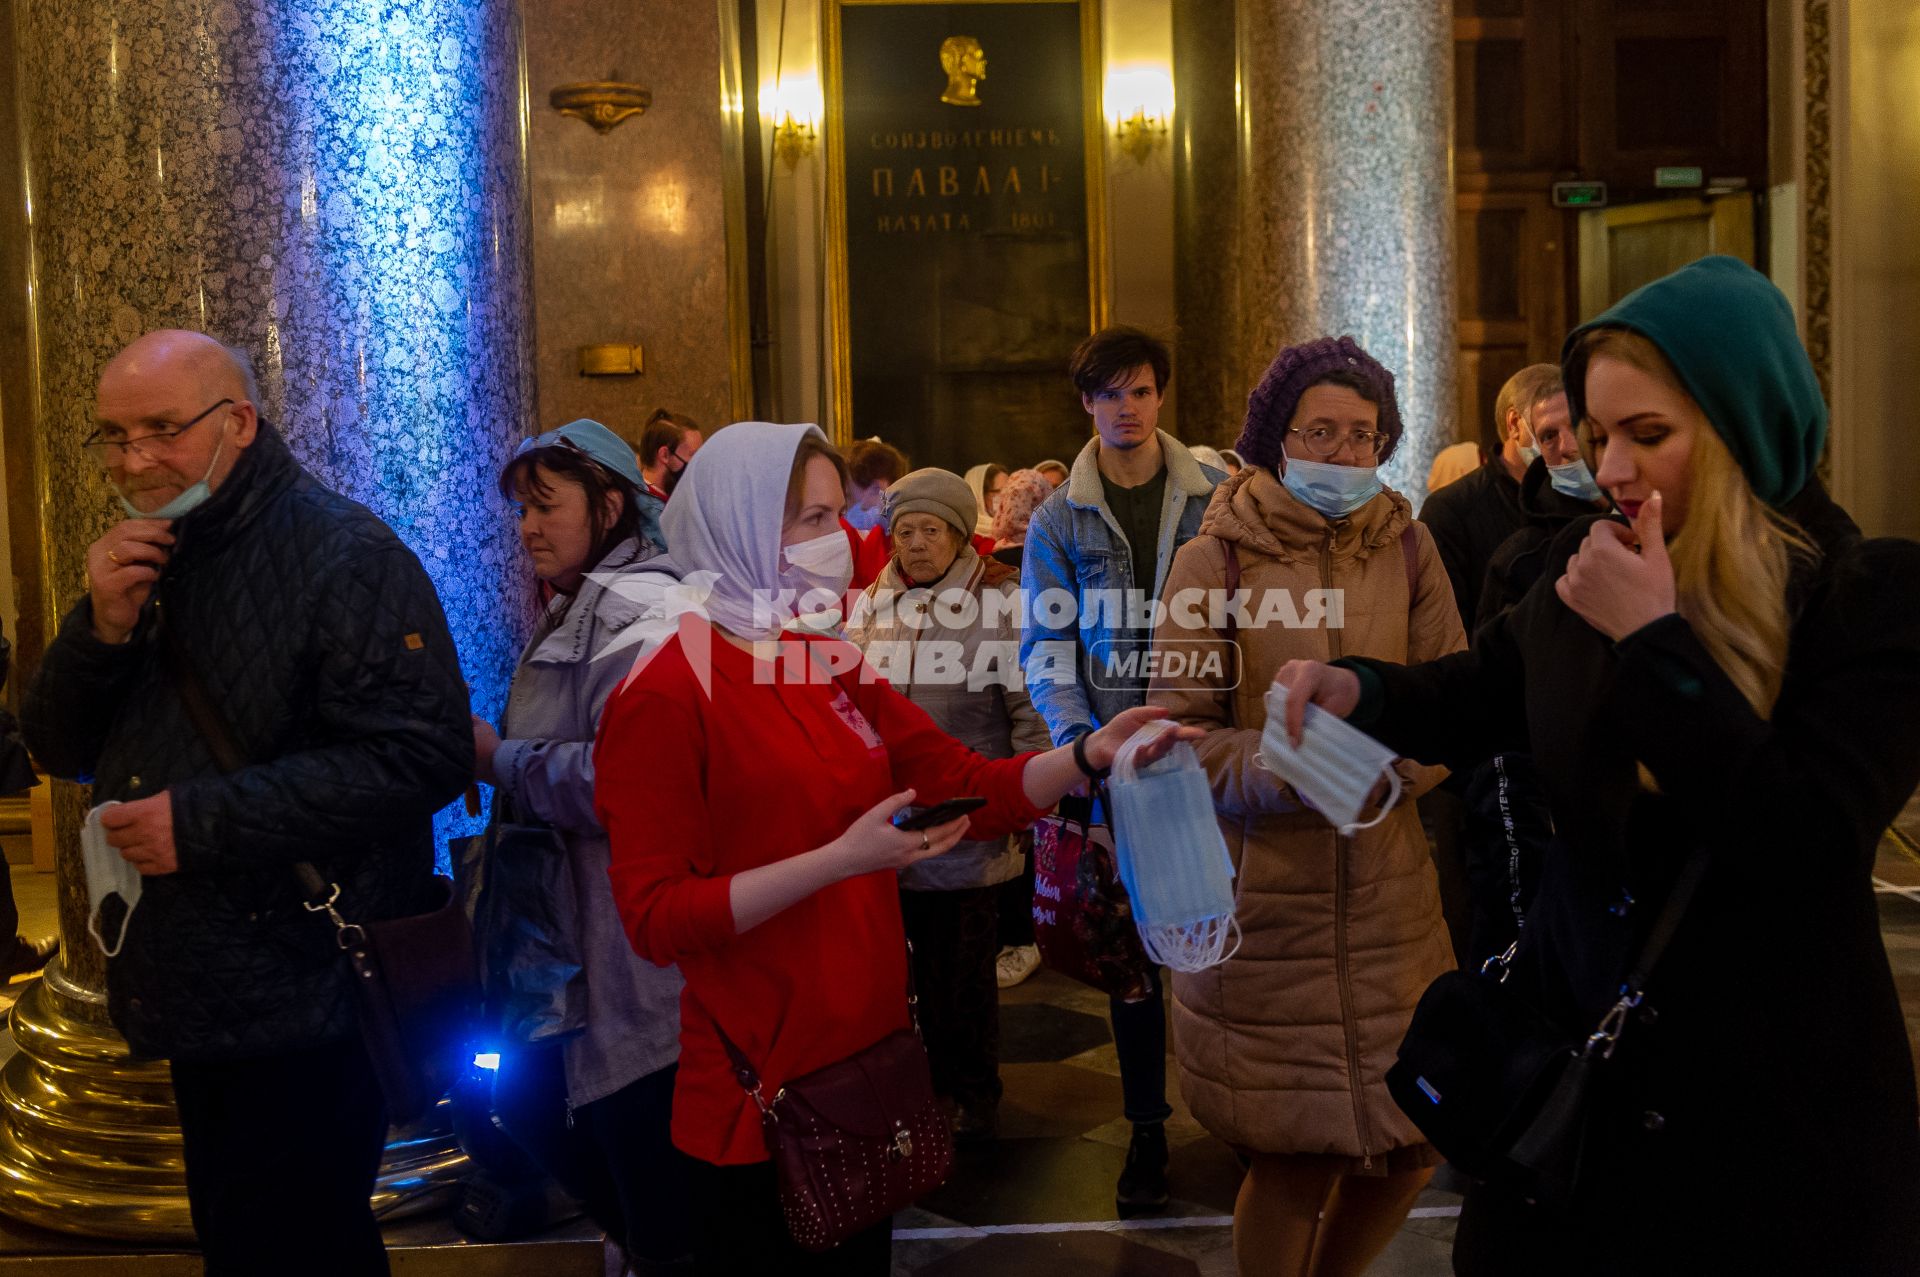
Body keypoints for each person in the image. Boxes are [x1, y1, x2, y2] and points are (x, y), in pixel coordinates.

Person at [1272, 256, 1920, 1274]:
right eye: (1598, 432)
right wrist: (1361, 688)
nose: (1610, 467)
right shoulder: (1587, 567)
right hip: (1576, 1082)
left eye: (1647, 434)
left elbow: (1805, 840)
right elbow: (1483, 689)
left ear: (1746, 424)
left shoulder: (1865, 597)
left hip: (1768, 1115)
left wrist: (1656, 639)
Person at [595, 421, 1199, 1273]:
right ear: (735, 523)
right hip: (756, 1096)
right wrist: (840, 858)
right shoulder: (666, 689)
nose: (835, 543)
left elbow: (958, 779)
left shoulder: (814, 657)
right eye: (806, 519)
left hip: (863, 1061)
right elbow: (656, 916)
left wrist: (1087, 755)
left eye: (836, 515)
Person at [22, 330, 472, 1276]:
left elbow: (418, 756)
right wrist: (100, 629)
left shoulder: (344, 554)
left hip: (306, 985)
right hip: (201, 983)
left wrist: (197, 821)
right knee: (244, 1236)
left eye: (160, 429)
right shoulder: (154, 553)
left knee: (302, 1244)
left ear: (237, 423)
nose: (132, 459)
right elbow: (57, 747)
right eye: (111, 434)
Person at [1147, 335, 1463, 1277]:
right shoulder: (1214, 562)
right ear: (1275, 439)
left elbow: (1452, 696)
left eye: (1364, 435)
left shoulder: (1410, 546)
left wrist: (1390, 772)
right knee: (1289, 1158)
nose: (1343, 452)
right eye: (1319, 430)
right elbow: (1180, 735)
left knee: (1413, 1144)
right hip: (1264, 908)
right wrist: (1304, 769)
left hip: (1390, 905)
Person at [472, 419, 691, 1273]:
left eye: (545, 504)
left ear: (609, 503)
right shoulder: (590, 595)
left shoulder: (644, 602)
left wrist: (502, 760)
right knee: (531, 1104)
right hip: (576, 942)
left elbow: (628, 781)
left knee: (636, 1153)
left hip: (629, 954)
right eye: (520, 509)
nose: (527, 526)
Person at [1020, 325, 1224, 1215]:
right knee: (1135, 961)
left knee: (1223, 950)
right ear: (1087, 404)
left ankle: (1241, 1121)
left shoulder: (1216, 497)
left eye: (1141, 391)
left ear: (1162, 396)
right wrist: (1080, 748)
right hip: (1118, 761)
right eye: (1111, 395)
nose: (1128, 409)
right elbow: (1045, 645)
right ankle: (1146, 1131)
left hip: (1209, 747)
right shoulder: (1060, 516)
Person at [846, 468, 1050, 1141]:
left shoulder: (1001, 600)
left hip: (968, 815)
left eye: (930, 530)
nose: (917, 544)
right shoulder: (871, 601)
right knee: (900, 974)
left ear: (960, 534)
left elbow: (1030, 711)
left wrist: (1017, 800)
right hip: (888, 823)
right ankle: (920, 1089)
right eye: (905, 531)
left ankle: (971, 1091)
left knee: (960, 971)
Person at [982, 466, 1055, 988]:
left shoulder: (987, 569)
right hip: (1043, 702)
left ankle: (1021, 936)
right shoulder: (1051, 560)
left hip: (1008, 712)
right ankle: (1031, 932)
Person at [1418, 363, 1561, 626]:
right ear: (1515, 424)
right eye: (1551, 432)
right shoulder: (1450, 510)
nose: (1571, 446)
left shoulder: (1580, 498)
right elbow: (1445, 630)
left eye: (1578, 428)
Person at [841, 437, 908, 591]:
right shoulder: (874, 540)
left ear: (877, 488)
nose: (844, 507)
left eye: (849, 496)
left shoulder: (921, 535)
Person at [963, 462, 1007, 539]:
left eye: (1011, 489)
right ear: (979, 495)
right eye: (1001, 491)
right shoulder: (965, 537)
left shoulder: (1018, 530)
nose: (1011, 496)